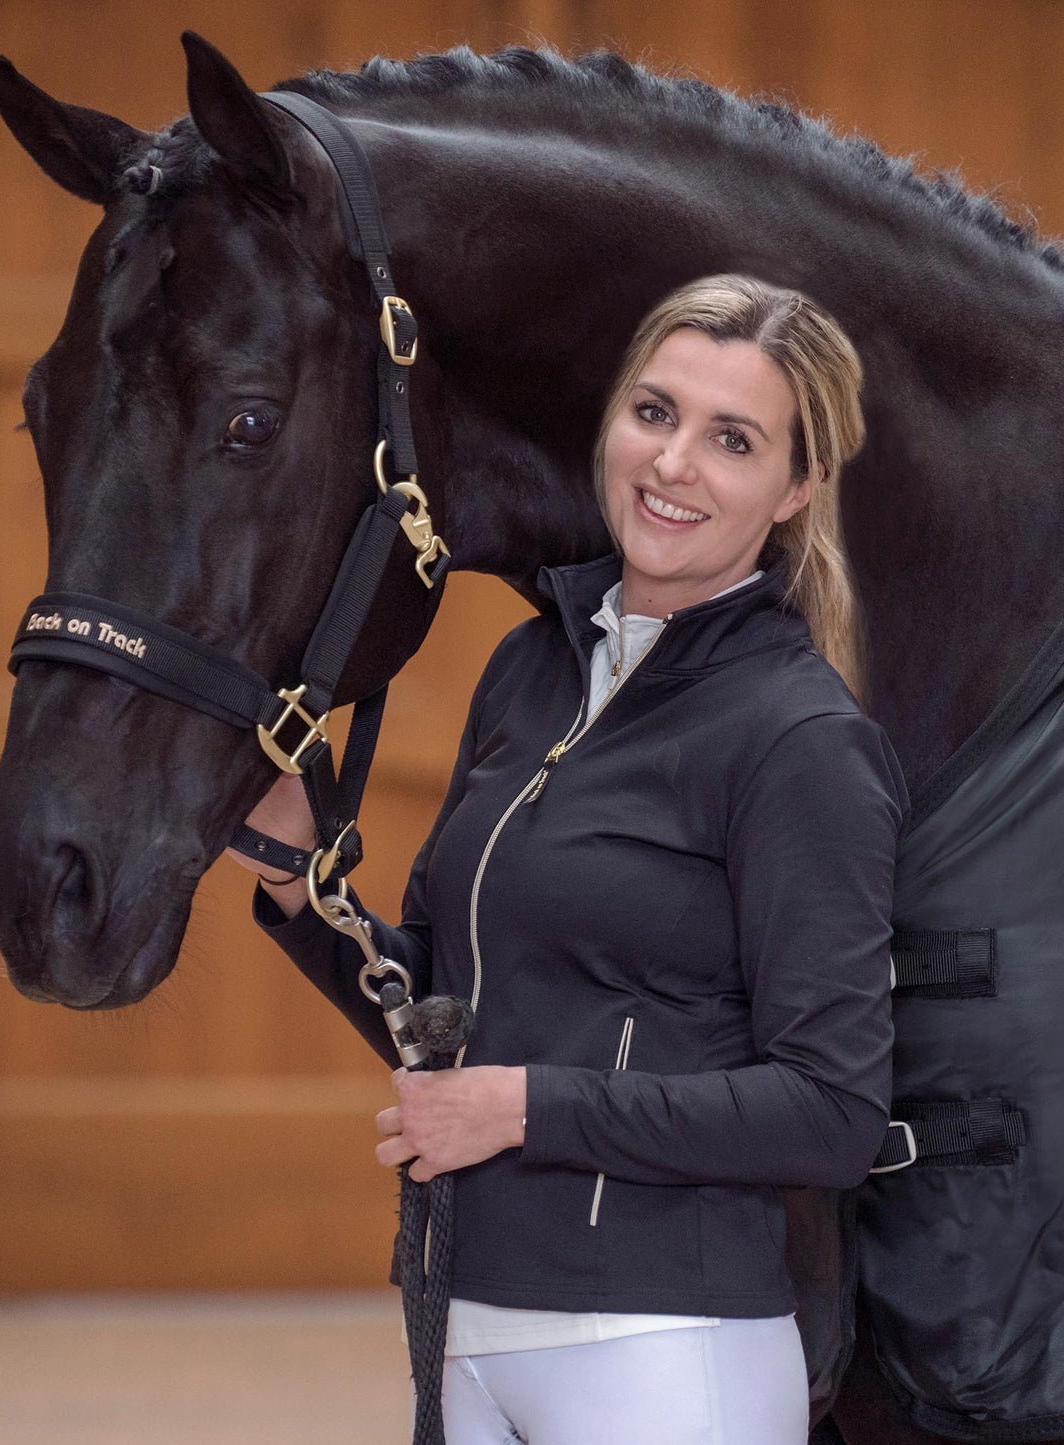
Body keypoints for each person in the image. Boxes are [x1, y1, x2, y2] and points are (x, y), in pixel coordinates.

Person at [231, 274, 907, 1444]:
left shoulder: (798, 738)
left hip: (663, 1349)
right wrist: (301, 885)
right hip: (465, 1326)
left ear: (795, 488)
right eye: (654, 411)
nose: (672, 462)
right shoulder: (528, 670)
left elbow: (830, 1109)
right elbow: (445, 1016)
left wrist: (523, 1107)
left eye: (732, 439)